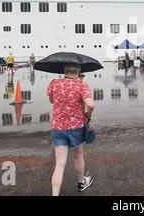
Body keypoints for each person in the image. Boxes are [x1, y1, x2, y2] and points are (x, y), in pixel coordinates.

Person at [47, 64, 94, 196]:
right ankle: (81, 182)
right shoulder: (81, 86)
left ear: (64, 70)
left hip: (58, 127)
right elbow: (90, 104)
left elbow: (52, 100)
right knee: (78, 156)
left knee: (60, 164)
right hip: (76, 127)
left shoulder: (54, 83)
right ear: (79, 72)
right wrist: (88, 116)